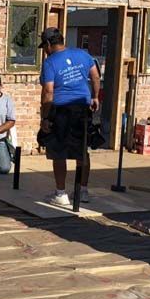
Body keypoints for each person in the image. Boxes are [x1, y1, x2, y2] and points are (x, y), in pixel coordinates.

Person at [37, 27, 100, 206]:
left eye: (45, 47)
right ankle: (83, 191)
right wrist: (95, 97)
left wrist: (46, 117)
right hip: (82, 109)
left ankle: (61, 194)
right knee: (82, 150)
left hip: (62, 111)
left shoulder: (50, 62)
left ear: (49, 44)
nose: (45, 50)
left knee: (59, 152)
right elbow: (95, 77)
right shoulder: (83, 54)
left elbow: (48, 91)